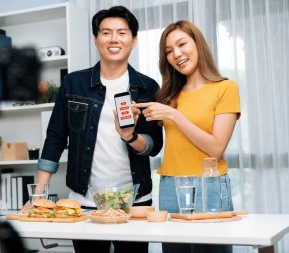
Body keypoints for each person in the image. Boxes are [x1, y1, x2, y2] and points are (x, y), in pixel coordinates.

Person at [36, 6, 163, 253]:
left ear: (133, 40)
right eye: (106, 32)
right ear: (96, 39)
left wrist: (130, 137)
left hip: (135, 203)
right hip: (84, 202)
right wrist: (37, 197)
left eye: (122, 33)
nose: (114, 39)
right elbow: (55, 137)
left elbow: (153, 145)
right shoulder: (74, 83)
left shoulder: (147, 87)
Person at [135, 20, 241, 253]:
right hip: (170, 186)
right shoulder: (166, 95)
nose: (177, 54)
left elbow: (216, 148)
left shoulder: (225, 88)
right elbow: (148, 143)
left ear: (198, 44)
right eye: (169, 51)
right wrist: (130, 129)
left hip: (209, 185)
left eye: (182, 44)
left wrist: (174, 115)